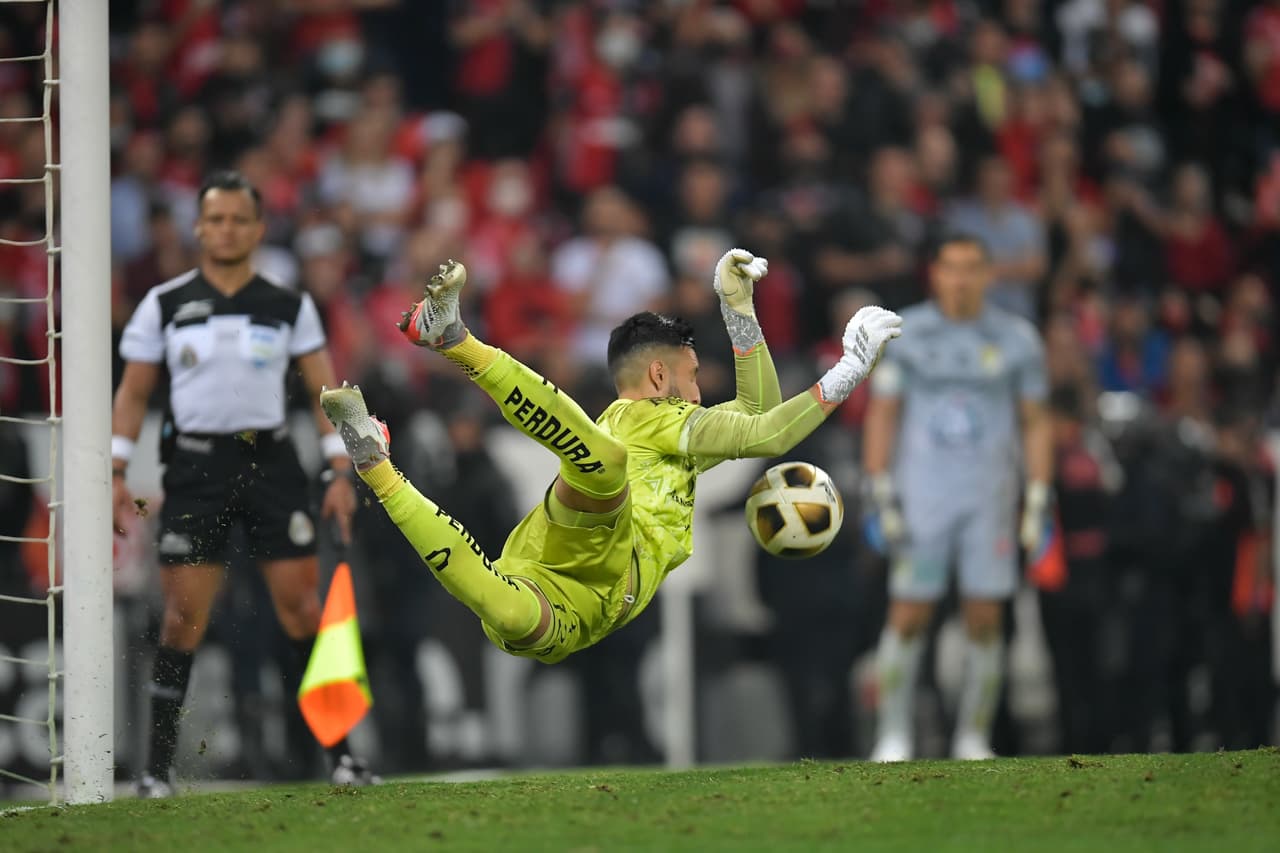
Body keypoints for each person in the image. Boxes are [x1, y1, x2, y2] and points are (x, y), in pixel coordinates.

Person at [319, 250, 902, 666]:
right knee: (603, 466)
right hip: (597, 540)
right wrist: (849, 370)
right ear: (657, 375)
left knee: (517, 621)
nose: (699, 393)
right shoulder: (654, 420)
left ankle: (376, 448)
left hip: (587, 602)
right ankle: (427, 384)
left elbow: (758, 419)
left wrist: (738, 308)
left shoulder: (675, 438)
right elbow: (772, 434)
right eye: (693, 377)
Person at [110, 171, 373, 796]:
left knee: (303, 611)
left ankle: (341, 757)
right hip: (196, 469)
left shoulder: (288, 304)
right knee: (183, 618)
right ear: (199, 228)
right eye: (215, 218)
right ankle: (156, 769)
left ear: (258, 229)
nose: (226, 228)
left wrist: (340, 469)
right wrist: (117, 471)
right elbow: (134, 393)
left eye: (238, 219)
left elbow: (326, 395)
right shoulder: (164, 303)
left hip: (273, 465)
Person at [862, 234, 1052, 761]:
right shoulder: (905, 333)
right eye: (952, 268)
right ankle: (893, 736)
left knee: (986, 617)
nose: (962, 279)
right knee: (908, 614)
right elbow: (883, 413)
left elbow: (1036, 421)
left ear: (989, 275)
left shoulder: (1017, 339)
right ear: (935, 274)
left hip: (988, 499)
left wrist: (1038, 495)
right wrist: (878, 487)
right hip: (923, 498)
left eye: (972, 268)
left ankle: (973, 736)